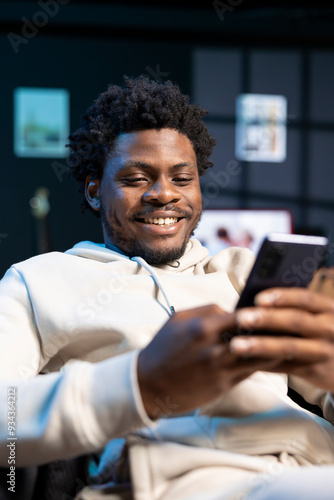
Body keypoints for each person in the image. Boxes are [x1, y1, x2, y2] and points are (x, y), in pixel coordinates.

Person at [0, 75, 334, 500]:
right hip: (185, 479)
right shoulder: (38, 280)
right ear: (94, 190)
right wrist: (142, 383)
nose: (164, 195)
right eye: (137, 179)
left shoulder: (241, 272)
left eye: (182, 178)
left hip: (314, 463)